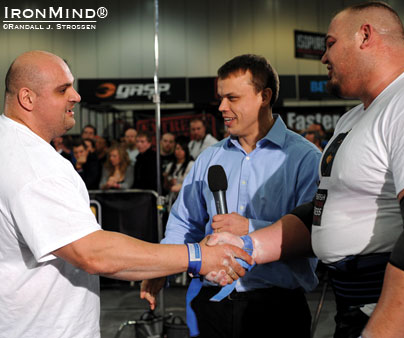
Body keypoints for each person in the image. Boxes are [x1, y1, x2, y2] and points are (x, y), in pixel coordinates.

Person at [0, 50, 252, 338]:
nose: (76, 96)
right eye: (62, 89)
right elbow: (92, 252)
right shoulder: (34, 165)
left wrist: (164, 263)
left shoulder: (13, 147)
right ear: (27, 98)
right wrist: (196, 255)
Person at [209, 3, 404, 338]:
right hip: (353, 307)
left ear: (365, 36)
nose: (323, 57)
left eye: (330, 43)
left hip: (390, 312)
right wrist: (248, 244)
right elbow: (323, 210)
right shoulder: (354, 117)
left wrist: (382, 332)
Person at [141, 54, 321, 337]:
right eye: (221, 98)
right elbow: (184, 222)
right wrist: (163, 266)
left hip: (277, 311)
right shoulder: (209, 158)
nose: (222, 107)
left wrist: (250, 228)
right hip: (212, 305)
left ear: (264, 96)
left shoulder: (304, 159)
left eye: (232, 98)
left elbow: (315, 233)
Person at [164, 136, 195, 210]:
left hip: (187, 199)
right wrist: (168, 182)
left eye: (182, 149)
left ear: (186, 151)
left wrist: (180, 186)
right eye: (177, 149)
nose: (179, 151)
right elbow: (165, 185)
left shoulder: (191, 164)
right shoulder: (170, 166)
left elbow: (193, 182)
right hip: (173, 199)